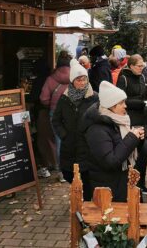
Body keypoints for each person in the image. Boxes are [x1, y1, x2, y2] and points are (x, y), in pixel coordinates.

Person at [78, 81, 145, 202]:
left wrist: (138, 140)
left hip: (122, 182)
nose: (125, 106)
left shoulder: (118, 121)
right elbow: (110, 161)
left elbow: (124, 149)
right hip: (110, 188)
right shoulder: (97, 130)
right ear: (111, 105)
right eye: (121, 103)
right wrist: (131, 138)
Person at [52, 59, 98, 200]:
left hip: (87, 145)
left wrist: (94, 135)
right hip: (70, 144)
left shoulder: (94, 97)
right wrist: (64, 135)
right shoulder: (65, 99)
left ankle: (86, 204)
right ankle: (80, 197)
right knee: (68, 173)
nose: (82, 83)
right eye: (78, 80)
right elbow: (56, 120)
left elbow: (101, 118)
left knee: (87, 176)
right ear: (72, 81)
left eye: (84, 79)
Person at [116, 54, 147, 194]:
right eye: (139, 66)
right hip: (129, 121)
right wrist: (140, 103)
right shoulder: (123, 78)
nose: (141, 68)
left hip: (143, 120)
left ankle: (140, 182)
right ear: (130, 66)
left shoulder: (143, 77)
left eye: (143, 66)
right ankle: (132, 182)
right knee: (138, 153)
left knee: (145, 154)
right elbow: (120, 101)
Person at [40, 50, 71, 182]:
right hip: (71, 112)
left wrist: (51, 104)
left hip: (55, 113)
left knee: (59, 141)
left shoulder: (51, 79)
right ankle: (73, 169)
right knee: (72, 139)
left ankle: (62, 173)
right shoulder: (75, 77)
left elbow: (43, 98)